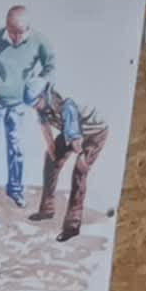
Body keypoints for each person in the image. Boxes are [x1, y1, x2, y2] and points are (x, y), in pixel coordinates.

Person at [0, 5, 56, 208]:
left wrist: (37, 85)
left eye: (20, 33)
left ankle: (15, 190)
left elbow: (51, 66)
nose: (15, 38)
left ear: (28, 29)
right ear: (6, 26)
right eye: (12, 32)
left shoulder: (39, 41)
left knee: (16, 149)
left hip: (19, 105)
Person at [29, 84, 109, 244]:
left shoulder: (67, 106)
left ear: (44, 96)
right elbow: (46, 130)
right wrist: (53, 153)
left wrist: (82, 155)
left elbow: (76, 143)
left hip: (94, 133)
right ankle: (47, 209)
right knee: (51, 160)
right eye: (32, 104)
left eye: (36, 102)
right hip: (74, 131)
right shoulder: (41, 105)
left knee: (80, 171)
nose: (35, 106)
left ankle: (72, 225)